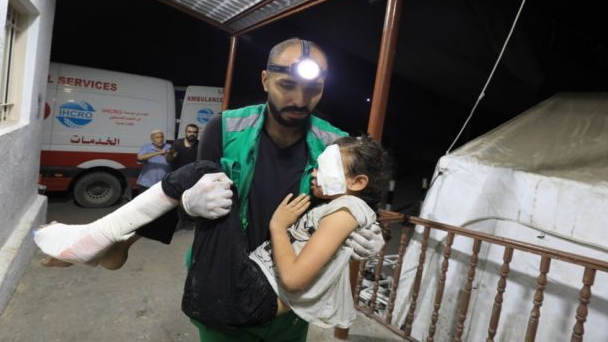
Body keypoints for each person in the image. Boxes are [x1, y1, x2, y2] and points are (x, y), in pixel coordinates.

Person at [33, 38, 386, 340]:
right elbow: (195, 202)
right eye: (287, 86)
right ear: (265, 80)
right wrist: (189, 203)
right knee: (197, 177)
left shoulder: (333, 143)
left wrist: (365, 234)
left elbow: (347, 205)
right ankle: (113, 240)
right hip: (220, 274)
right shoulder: (225, 127)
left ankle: (108, 239)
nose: (299, 99)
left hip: (285, 291)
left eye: (313, 89)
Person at [180, 135, 393, 331]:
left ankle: (158, 202)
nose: (314, 173)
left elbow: (292, 279)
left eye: (325, 168)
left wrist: (278, 227)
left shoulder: (347, 210)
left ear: (357, 182)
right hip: (251, 284)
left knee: (207, 171)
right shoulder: (337, 207)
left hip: (254, 294)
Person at [136, 130, 172, 194]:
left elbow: (173, 159)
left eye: (161, 137)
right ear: (152, 139)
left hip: (163, 184)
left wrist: (171, 155)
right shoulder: (146, 147)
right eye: (157, 137)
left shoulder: (169, 147)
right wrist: (158, 153)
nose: (160, 139)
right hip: (147, 184)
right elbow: (140, 157)